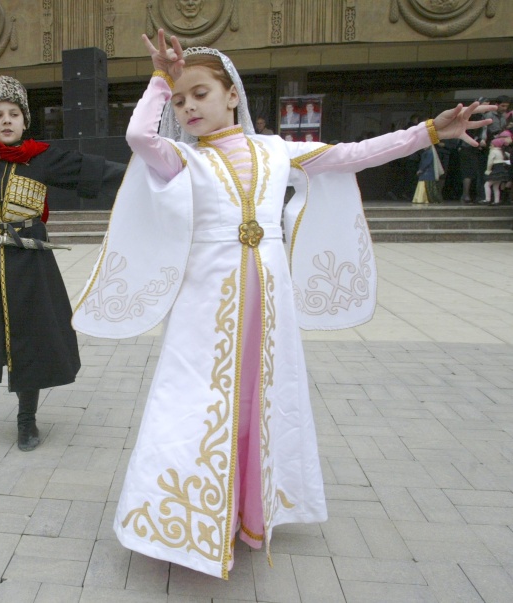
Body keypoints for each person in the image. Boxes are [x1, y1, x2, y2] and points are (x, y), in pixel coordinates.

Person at [71, 30, 494, 579]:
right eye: (180, 100)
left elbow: (354, 154)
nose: (188, 106)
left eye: (199, 93)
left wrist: (432, 131)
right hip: (207, 304)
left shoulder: (276, 152)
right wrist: (158, 78)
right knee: (195, 402)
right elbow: (136, 135)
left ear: (232, 96)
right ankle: (185, 520)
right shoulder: (181, 159)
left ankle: (247, 512)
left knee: (259, 401)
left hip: (269, 303)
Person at [0, 75, 125, 452]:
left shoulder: (42, 157)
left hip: (33, 263)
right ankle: (21, 410)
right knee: (1, 336)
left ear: (25, 120)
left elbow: (97, 171)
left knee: (30, 338)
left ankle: (26, 420)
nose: (6, 121)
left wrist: (148, 174)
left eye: (14, 114)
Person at [483, 130, 511, 205]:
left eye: (491, 144)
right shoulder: (502, 152)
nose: (490, 146)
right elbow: (508, 157)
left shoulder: (493, 152)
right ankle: (496, 201)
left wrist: (488, 170)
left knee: (487, 185)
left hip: (495, 169)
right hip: (501, 170)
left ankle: (487, 199)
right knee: (496, 187)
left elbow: (490, 162)